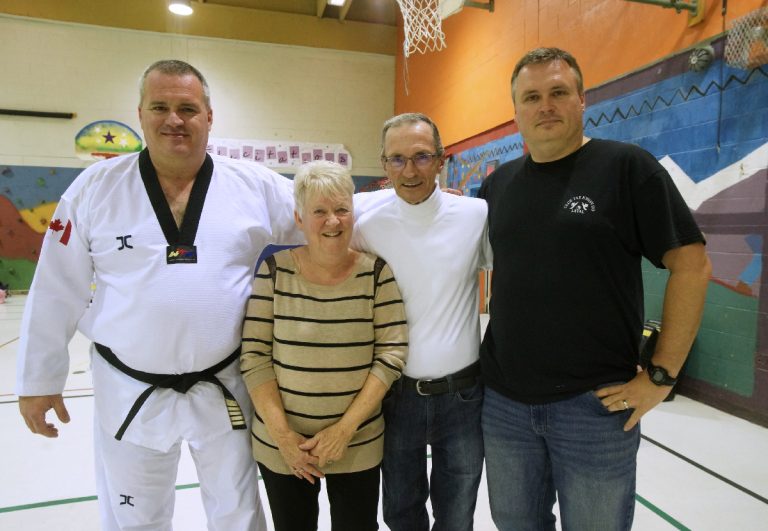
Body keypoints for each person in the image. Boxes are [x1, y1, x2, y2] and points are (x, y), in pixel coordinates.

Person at [15, 59, 303, 530]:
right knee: (135, 517)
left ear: (209, 116)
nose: (174, 120)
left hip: (225, 383)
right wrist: (38, 381)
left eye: (187, 108)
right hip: (129, 387)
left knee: (238, 513)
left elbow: (328, 216)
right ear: (140, 114)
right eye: (160, 107)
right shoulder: (95, 189)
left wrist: (407, 207)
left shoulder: (254, 186)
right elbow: (55, 287)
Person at [478, 47, 712, 530]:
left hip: (595, 406)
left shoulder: (627, 168)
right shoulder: (498, 186)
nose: (545, 106)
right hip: (504, 404)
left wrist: (661, 376)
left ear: (582, 100)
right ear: (516, 111)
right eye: (531, 97)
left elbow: (692, 266)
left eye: (559, 92)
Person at [241, 160, 408, 531]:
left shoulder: (376, 273)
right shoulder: (275, 270)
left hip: (357, 442)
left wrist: (344, 431)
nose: (332, 221)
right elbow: (254, 356)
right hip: (285, 447)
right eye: (319, 212)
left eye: (341, 210)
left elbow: (391, 355)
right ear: (299, 219)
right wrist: (284, 438)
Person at [352, 113, 491, 531]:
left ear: (441, 159)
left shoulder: (475, 215)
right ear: (384, 164)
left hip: (463, 396)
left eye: (421, 157)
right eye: (397, 159)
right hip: (396, 395)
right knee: (400, 512)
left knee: (457, 514)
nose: (409, 170)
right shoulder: (368, 227)